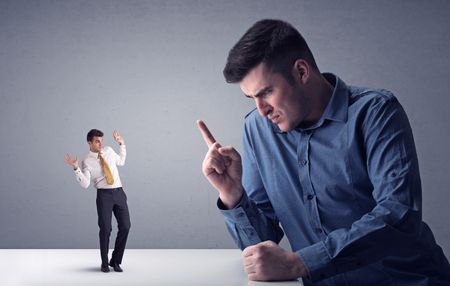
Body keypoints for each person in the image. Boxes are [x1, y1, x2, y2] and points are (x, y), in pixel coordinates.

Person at [198, 19, 450, 285]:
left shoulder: (376, 112)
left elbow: (400, 214)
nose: (262, 110)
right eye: (251, 99)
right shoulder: (257, 129)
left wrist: (301, 262)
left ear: (302, 72)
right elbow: (262, 252)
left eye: (266, 92)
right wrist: (232, 194)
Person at [65, 129, 131, 273]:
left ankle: (116, 261)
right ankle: (104, 263)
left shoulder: (108, 150)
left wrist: (121, 144)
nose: (100, 143)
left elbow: (121, 161)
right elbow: (85, 184)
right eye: (97, 141)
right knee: (106, 229)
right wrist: (76, 168)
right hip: (104, 195)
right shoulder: (86, 160)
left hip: (119, 191)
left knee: (126, 226)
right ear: (89, 142)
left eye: (101, 140)